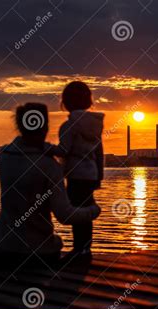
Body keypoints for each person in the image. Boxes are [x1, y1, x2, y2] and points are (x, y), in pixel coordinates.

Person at [0, 102, 101, 268]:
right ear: (46, 127)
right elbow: (65, 215)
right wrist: (94, 210)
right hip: (38, 255)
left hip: (0, 251)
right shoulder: (49, 165)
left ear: (19, 125)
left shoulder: (4, 154)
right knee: (55, 245)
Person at [49, 81, 105, 256]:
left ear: (65, 103)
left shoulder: (68, 126)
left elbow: (64, 150)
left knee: (77, 211)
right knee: (86, 210)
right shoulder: (95, 126)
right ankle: (85, 248)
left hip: (76, 174)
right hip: (91, 174)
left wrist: (45, 149)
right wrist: (99, 177)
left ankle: (78, 248)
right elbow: (99, 153)